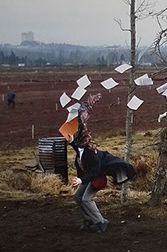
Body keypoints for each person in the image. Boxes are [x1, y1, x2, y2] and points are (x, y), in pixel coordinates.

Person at [68, 94, 136, 233]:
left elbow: (95, 170)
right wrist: (87, 106)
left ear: (81, 140)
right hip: (88, 176)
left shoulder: (90, 153)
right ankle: (88, 220)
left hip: (96, 177)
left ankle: (101, 222)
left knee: (86, 199)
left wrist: (81, 180)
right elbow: (80, 129)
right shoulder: (79, 148)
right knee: (77, 196)